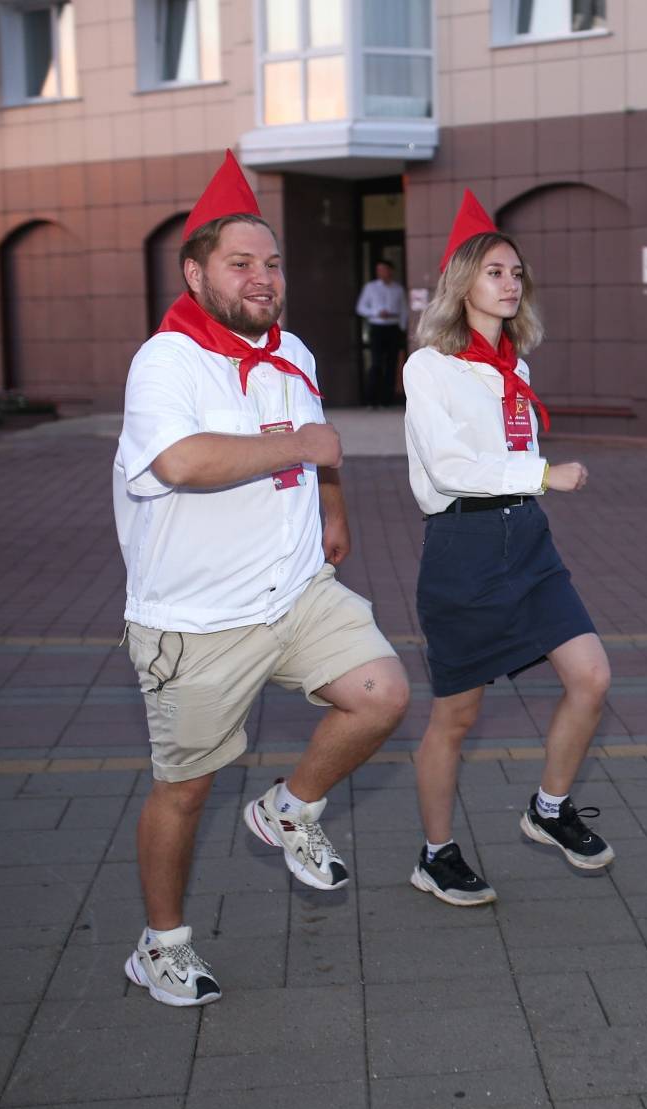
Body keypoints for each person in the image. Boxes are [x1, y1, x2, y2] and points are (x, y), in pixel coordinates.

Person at [113, 151, 410, 1006]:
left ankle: (289, 809)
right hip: (195, 619)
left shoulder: (296, 352)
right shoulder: (167, 361)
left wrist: (335, 508)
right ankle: (160, 946)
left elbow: (319, 441)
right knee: (186, 790)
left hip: (294, 589)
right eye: (240, 263)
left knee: (383, 693)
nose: (263, 277)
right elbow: (181, 460)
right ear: (195, 271)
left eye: (272, 262)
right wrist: (303, 451)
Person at [401, 190, 613, 907]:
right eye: (495, 270)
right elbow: (448, 467)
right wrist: (544, 474)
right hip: (463, 544)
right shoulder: (428, 367)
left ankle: (548, 810)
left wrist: (533, 482)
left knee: (591, 677)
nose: (511, 281)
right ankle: (437, 854)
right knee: (455, 717)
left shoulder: (514, 366)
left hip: (526, 538)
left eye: (516, 270)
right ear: (462, 281)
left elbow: (511, 448)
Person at [355, 259, 408, 406]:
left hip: (393, 327)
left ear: (390, 271)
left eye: (384, 269)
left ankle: (387, 399)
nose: (381, 273)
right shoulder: (370, 287)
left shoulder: (398, 289)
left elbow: (404, 309)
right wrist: (376, 312)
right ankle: (372, 399)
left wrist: (401, 328)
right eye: (379, 270)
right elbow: (360, 308)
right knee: (376, 363)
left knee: (391, 363)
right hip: (377, 327)